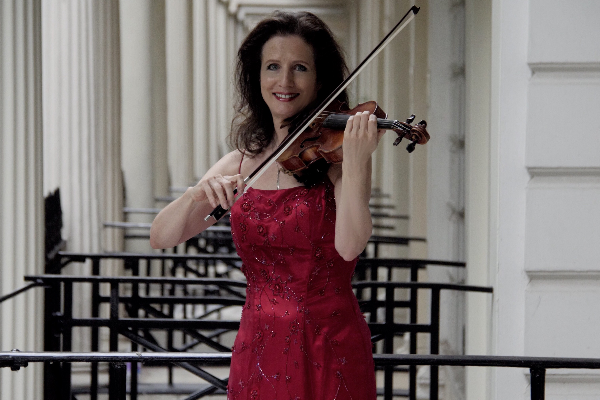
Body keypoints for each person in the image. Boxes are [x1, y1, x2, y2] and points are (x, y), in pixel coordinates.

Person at [150, 10, 382, 400]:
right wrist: (197, 193)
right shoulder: (241, 161)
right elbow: (161, 236)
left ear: (320, 78)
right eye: (272, 66)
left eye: (300, 68)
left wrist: (358, 163)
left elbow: (350, 246)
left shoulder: (337, 160)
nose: (284, 81)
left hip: (329, 342)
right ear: (256, 77)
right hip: (258, 343)